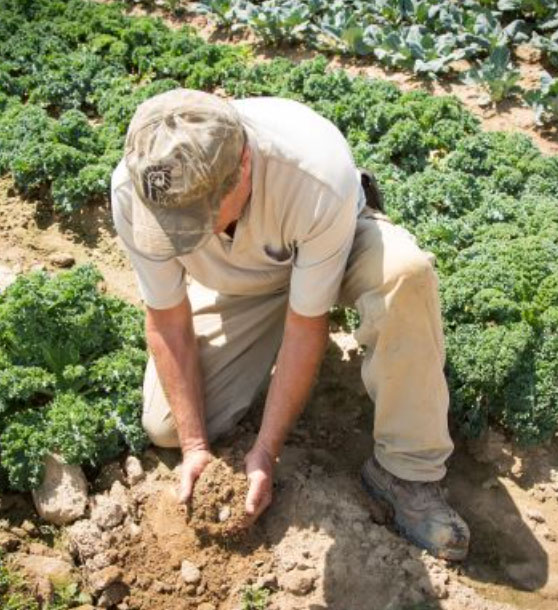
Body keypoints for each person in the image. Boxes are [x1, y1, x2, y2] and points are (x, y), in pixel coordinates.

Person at [110, 88, 469, 560]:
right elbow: (167, 318)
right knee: (167, 429)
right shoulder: (138, 191)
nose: (179, 230)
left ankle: (407, 473)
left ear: (242, 168)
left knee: (405, 274)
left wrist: (266, 451)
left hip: (331, 248)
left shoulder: (313, 173)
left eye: (192, 219)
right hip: (242, 284)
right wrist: (196, 444)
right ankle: (253, 337)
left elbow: (307, 324)